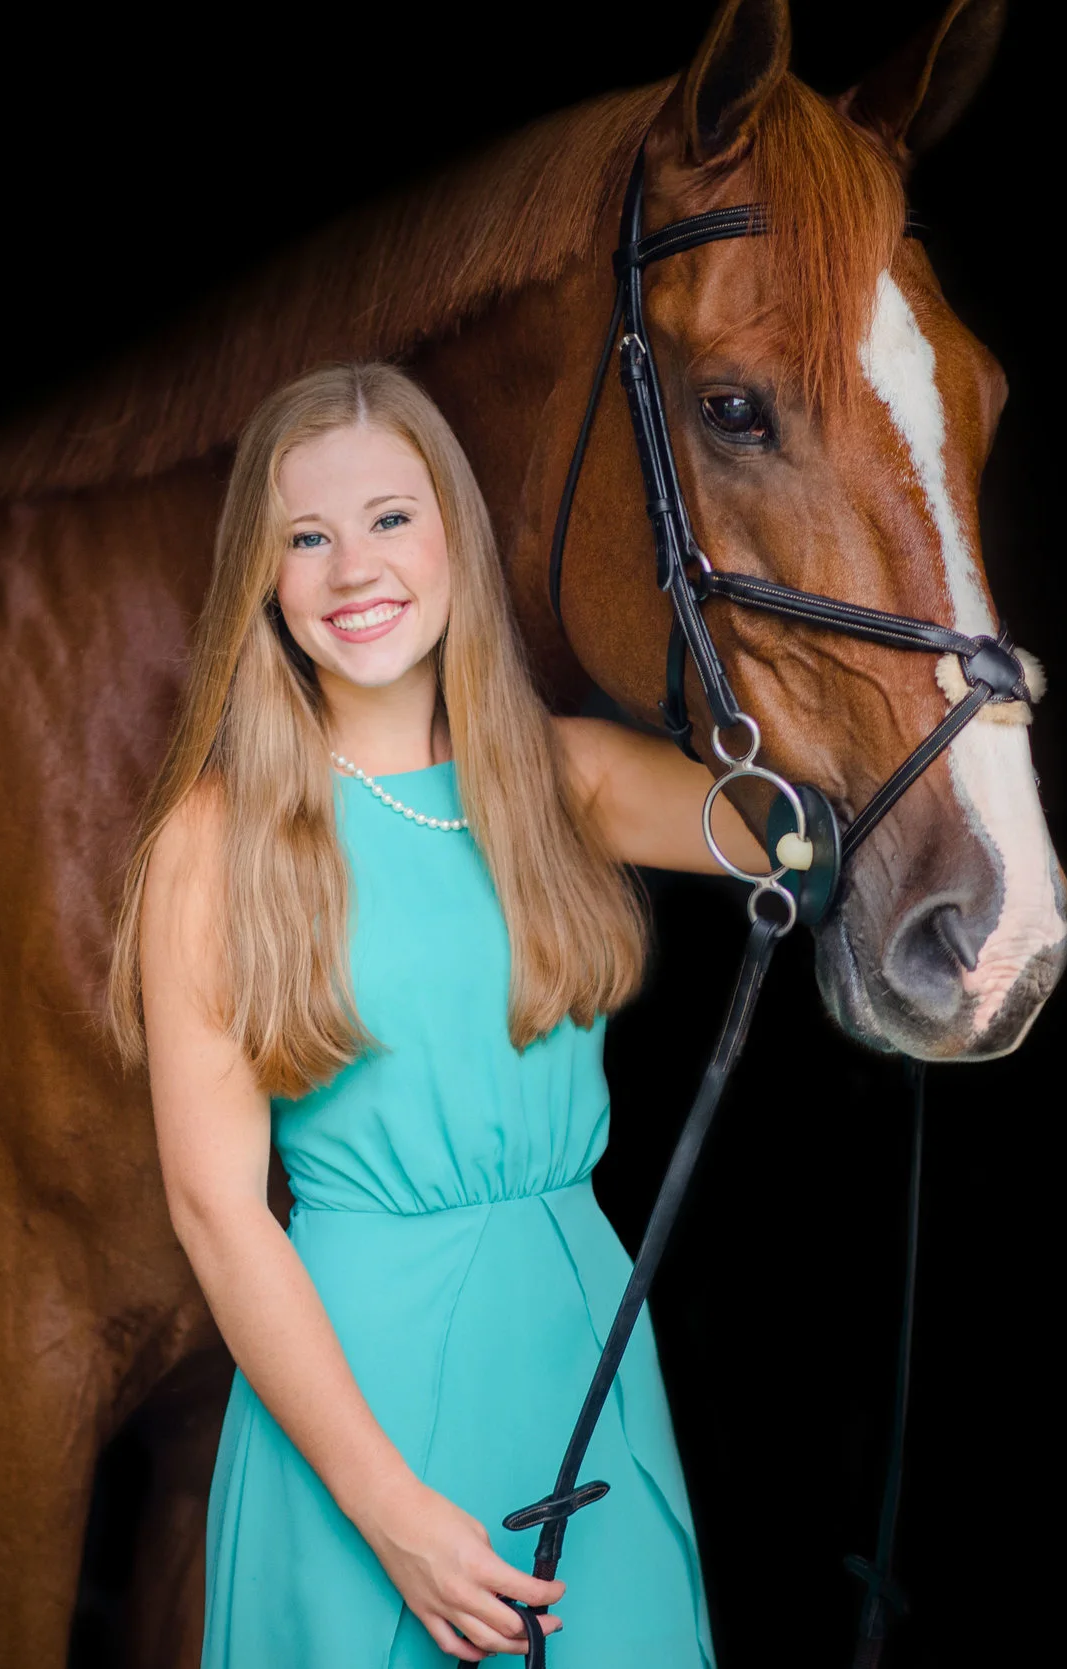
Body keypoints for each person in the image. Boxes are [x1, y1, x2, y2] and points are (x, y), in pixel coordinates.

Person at [107, 361, 766, 1665]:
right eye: (309, 536)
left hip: (580, 1368)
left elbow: (812, 825)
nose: (355, 567)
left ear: (459, 535)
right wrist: (390, 1511)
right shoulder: (216, 840)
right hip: (359, 1409)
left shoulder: (561, 779)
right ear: (269, 583)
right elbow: (217, 1211)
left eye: (393, 518)